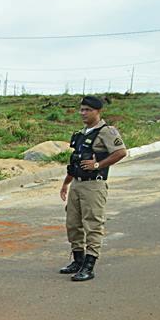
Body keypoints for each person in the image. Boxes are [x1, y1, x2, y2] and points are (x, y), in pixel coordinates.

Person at [58, 96, 127, 281]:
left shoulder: (107, 131)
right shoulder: (83, 133)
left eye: (87, 110)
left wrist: (99, 165)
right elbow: (76, 161)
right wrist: (66, 182)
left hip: (94, 185)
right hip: (77, 183)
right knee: (73, 224)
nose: (83, 113)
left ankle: (89, 265)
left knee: (93, 225)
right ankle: (78, 260)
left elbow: (121, 152)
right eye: (81, 110)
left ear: (98, 111)